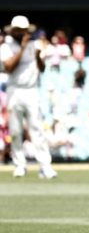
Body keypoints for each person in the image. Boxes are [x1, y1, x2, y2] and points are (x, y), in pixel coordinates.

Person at [1, 16, 57, 179]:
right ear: (14, 31)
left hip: (31, 90)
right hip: (14, 90)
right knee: (16, 130)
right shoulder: (6, 46)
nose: (22, 33)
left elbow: (42, 68)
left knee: (37, 129)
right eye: (19, 30)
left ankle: (45, 166)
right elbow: (9, 67)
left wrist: (38, 56)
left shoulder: (35, 45)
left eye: (24, 30)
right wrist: (23, 48)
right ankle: (19, 165)